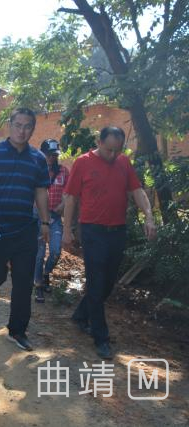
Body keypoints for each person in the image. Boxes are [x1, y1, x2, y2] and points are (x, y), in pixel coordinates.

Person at [63, 126, 156, 360]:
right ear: (99, 141)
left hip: (117, 231)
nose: (113, 154)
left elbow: (137, 191)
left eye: (118, 150)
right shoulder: (83, 163)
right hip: (92, 231)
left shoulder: (124, 162)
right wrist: (66, 230)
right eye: (109, 149)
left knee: (107, 284)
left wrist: (149, 216)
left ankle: (81, 314)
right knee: (96, 283)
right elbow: (71, 198)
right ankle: (101, 337)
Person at [0, 107, 50, 352]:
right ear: (10, 125)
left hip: (26, 229)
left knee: (23, 281)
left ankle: (17, 330)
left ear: (32, 129)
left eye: (27, 127)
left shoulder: (38, 159)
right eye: (18, 125)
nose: (22, 131)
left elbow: (41, 192)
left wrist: (45, 222)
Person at [34, 139, 69, 303]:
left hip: (55, 217)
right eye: (48, 155)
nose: (51, 158)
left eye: (54, 155)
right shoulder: (35, 169)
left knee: (55, 251)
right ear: (42, 154)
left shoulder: (64, 172)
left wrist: (63, 204)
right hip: (37, 217)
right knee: (39, 253)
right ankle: (38, 285)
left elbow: (68, 192)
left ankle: (46, 273)